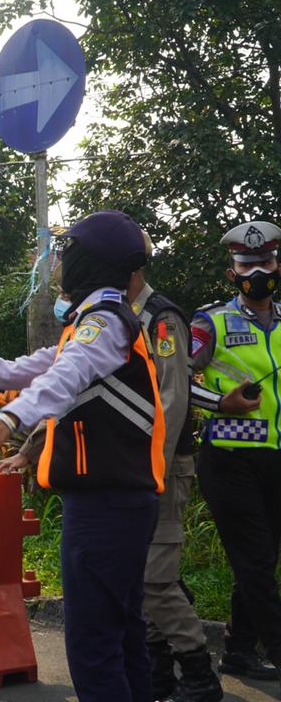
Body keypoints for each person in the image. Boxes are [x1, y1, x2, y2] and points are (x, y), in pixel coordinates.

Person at [0, 210, 164, 702]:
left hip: (106, 509)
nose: (57, 261)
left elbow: (63, 378)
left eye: (66, 252)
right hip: (118, 506)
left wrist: (8, 419)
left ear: (90, 260)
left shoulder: (105, 321)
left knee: (94, 645)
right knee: (123, 635)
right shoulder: (93, 321)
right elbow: (19, 370)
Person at [0, 233, 223, 702]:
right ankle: (154, 675)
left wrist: (151, 472)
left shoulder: (155, 318)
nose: (60, 266)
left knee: (150, 582)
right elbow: (79, 395)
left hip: (150, 467)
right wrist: (32, 449)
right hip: (130, 473)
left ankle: (197, 673)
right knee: (129, 600)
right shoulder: (110, 317)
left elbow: (173, 399)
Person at [187, 220, 281, 691]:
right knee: (256, 559)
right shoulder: (211, 323)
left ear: (277, 264)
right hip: (229, 457)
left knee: (261, 560)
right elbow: (174, 380)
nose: (257, 271)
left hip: (277, 459)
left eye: (265, 262)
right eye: (247, 264)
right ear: (232, 273)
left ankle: (241, 651)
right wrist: (219, 403)